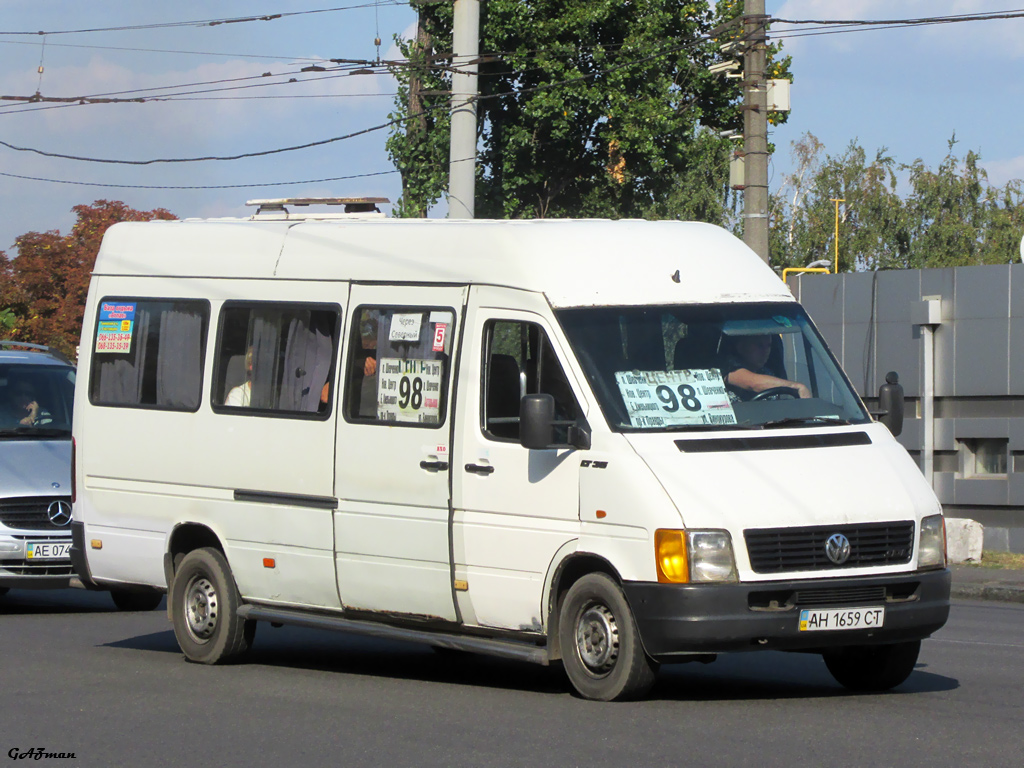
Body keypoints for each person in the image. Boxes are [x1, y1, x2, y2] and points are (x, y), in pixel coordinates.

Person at [722, 334, 810, 402]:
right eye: (760, 346)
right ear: (741, 347)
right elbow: (753, 383)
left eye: (769, 346)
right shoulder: (728, 366)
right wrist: (796, 386)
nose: (766, 351)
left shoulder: (767, 373)